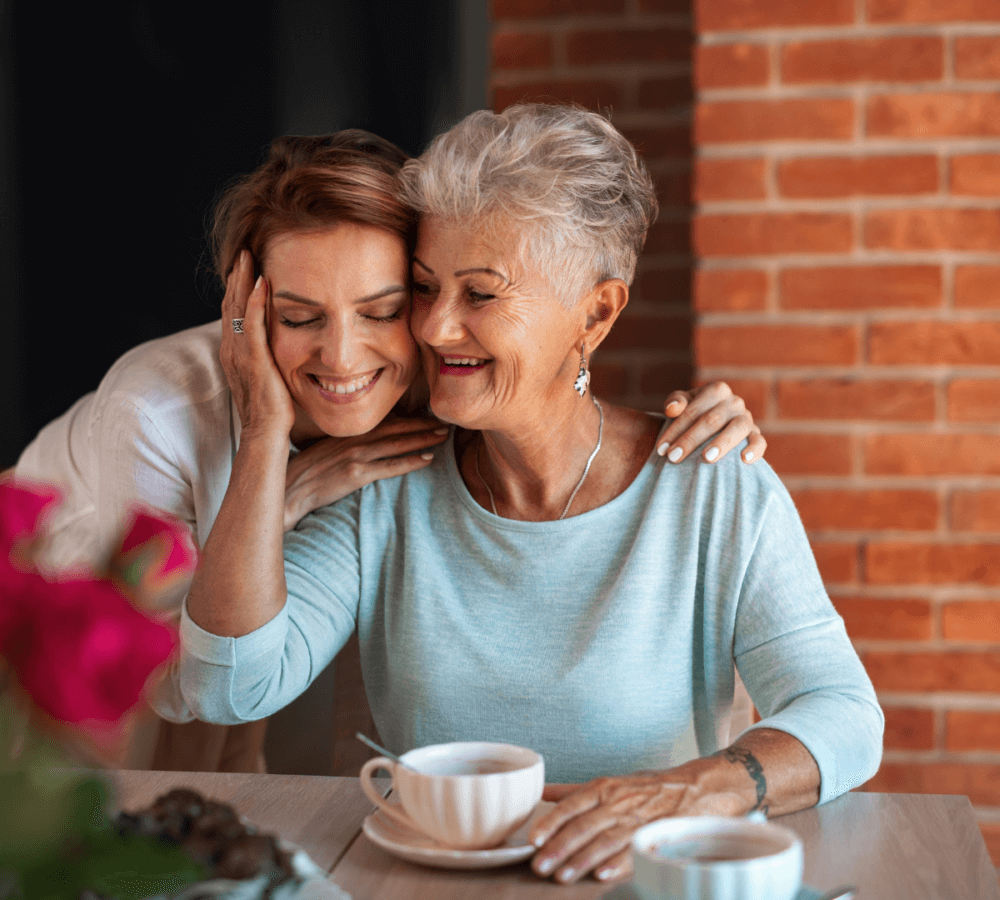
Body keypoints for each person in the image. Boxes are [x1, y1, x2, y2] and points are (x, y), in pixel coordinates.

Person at [171, 103, 883, 884]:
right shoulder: (383, 481)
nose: (437, 327)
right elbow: (225, 686)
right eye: (423, 286)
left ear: (596, 313)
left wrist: (687, 790)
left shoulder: (709, 484)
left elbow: (844, 714)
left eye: (480, 295)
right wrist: (265, 427)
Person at [11, 129, 762, 774]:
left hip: (236, 676)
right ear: (246, 309)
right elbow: (176, 681)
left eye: (385, 310)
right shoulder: (155, 415)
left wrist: (698, 419)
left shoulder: (425, 384)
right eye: (299, 316)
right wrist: (283, 470)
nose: (342, 357)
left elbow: (546, 383)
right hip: (48, 689)